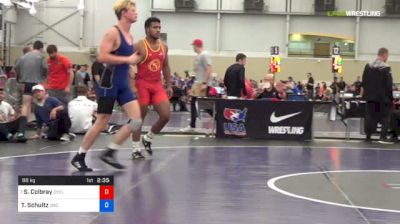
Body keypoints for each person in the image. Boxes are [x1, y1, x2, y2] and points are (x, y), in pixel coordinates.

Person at [70, 0, 142, 172]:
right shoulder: (113, 32)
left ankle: (110, 151)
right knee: (102, 121)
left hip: (122, 83)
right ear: (124, 13)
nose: (136, 13)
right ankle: (79, 156)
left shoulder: (130, 36)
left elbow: (124, 60)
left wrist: (131, 67)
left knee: (137, 120)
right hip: (109, 83)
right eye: (133, 10)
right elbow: (102, 57)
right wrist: (128, 60)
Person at [129, 16, 172, 159]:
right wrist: (131, 85)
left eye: (159, 27)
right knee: (139, 118)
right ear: (147, 29)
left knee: (165, 116)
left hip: (157, 84)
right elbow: (128, 64)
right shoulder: (139, 45)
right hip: (142, 84)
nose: (158, 30)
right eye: (155, 27)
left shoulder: (164, 46)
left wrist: (169, 84)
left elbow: (165, 66)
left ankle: (148, 138)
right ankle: (135, 148)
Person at [15, 40, 48, 142]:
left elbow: (16, 67)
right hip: (37, 82)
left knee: (25, 105)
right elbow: (45, 68)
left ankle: (21, 132)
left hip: (26, 83)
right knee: (41, 104)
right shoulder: (41, 56)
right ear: (41, 48)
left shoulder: (23, 57)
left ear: (33, 47)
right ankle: (41, 131)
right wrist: (44, 78)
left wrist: (20, 79)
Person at [361, 47, 393, 144]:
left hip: (370, 98)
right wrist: (390, 98)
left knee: (370, 117)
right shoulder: (386, 68)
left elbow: (364, 81)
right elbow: (388, 84)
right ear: (385, 55)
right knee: (386, 116)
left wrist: (365, 95)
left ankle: (368, 137)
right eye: (387, 55)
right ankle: (382, 137)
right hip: (383, 99)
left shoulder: (368, 66)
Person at [181, 38, 212, 132]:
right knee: (194, 103)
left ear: (196, 45)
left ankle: (220, 121)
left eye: (193, 45)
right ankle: (192, 125)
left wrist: (204, 83)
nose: (193, 47)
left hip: (202, 84)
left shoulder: (204, 55)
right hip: (198, 83)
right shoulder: (199, 56)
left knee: (205, 106)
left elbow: (209, 68)